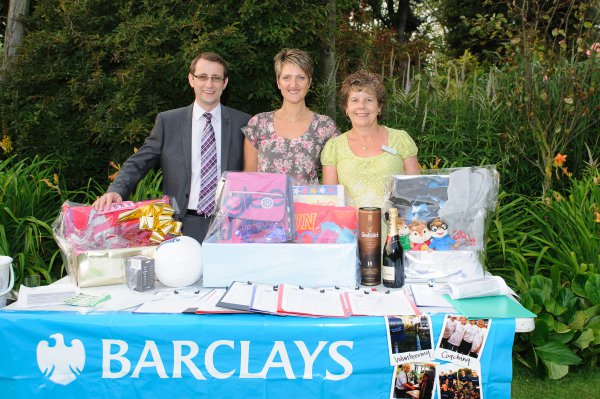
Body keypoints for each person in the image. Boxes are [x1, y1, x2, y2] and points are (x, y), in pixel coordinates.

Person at [93, 52, 251, 243]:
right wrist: (116, 190)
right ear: (191, 79)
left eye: (215, 78)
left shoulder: (243, 123)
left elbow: (255, 173)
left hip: (228, 226)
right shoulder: (168, 122)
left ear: (225, 83)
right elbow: (139, 162)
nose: (209, 84)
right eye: (202, 77)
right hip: (180, 225)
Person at [321, 69, 419, 209]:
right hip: (351, 230)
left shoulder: (401, 140)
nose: (361, 106)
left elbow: (416, 194)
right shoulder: (334, 148)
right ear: (346, 108)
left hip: (396, 229)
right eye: (355, 100)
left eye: (368, 100)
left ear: (379, 107)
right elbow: (330, 204)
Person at [243, 48, 339, 184]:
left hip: (309, 205)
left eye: (301, 77)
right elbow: (249, 180)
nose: (293, 85)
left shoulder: (324, 126)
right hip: (266, 204)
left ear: (309, 82)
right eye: (286, 77)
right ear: (278, 82)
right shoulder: (258, 124)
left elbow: (334, 180)